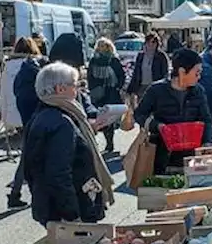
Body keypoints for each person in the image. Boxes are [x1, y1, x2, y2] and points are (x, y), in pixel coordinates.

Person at [23, 62, 114, 226]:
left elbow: (29, 167)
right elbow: (59, 174)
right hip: (70, 209)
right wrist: (72, 215)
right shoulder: (61, 122)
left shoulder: (40, 115)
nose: (78, 90)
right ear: (60, 89)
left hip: (49, 205)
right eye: (75, 84)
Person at [133, 48, 212, 176]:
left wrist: (208, 142)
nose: (199, 77)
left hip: (191, 158)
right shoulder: (156, 90)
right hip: (162, 158)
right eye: (196, 73)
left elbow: (207, 119)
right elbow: (139, 114)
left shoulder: (198, 91)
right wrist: (157, 126)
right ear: (182, 72)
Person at [8, 38, 46, 209]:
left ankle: (16, 193)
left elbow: (15, 92)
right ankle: (20, 194)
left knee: (27, 158)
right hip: (37, 119)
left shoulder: (17, 69)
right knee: (31, 159)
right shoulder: (36, 72)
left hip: (26, 118)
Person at [86, 38, 127, 155]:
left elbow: (121, 76)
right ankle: (107, 141)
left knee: (108, 118)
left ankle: (109, 141)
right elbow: (90, 76)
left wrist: (117, 87)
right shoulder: (96, 60)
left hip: (107, 93)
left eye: (104, 46)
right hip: (102, 94)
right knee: (102, 118)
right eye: (100, 46)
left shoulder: (112, 60)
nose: (102, 48)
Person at [126, 32, 169, 103]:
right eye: (148, 42)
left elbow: (165, 73)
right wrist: (130, 90)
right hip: (142, 88)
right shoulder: (140, 56)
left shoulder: (161, 56)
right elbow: (136, 73)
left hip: (156, 88)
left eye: (153, 42)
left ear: (157, 43)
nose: (151, 44)